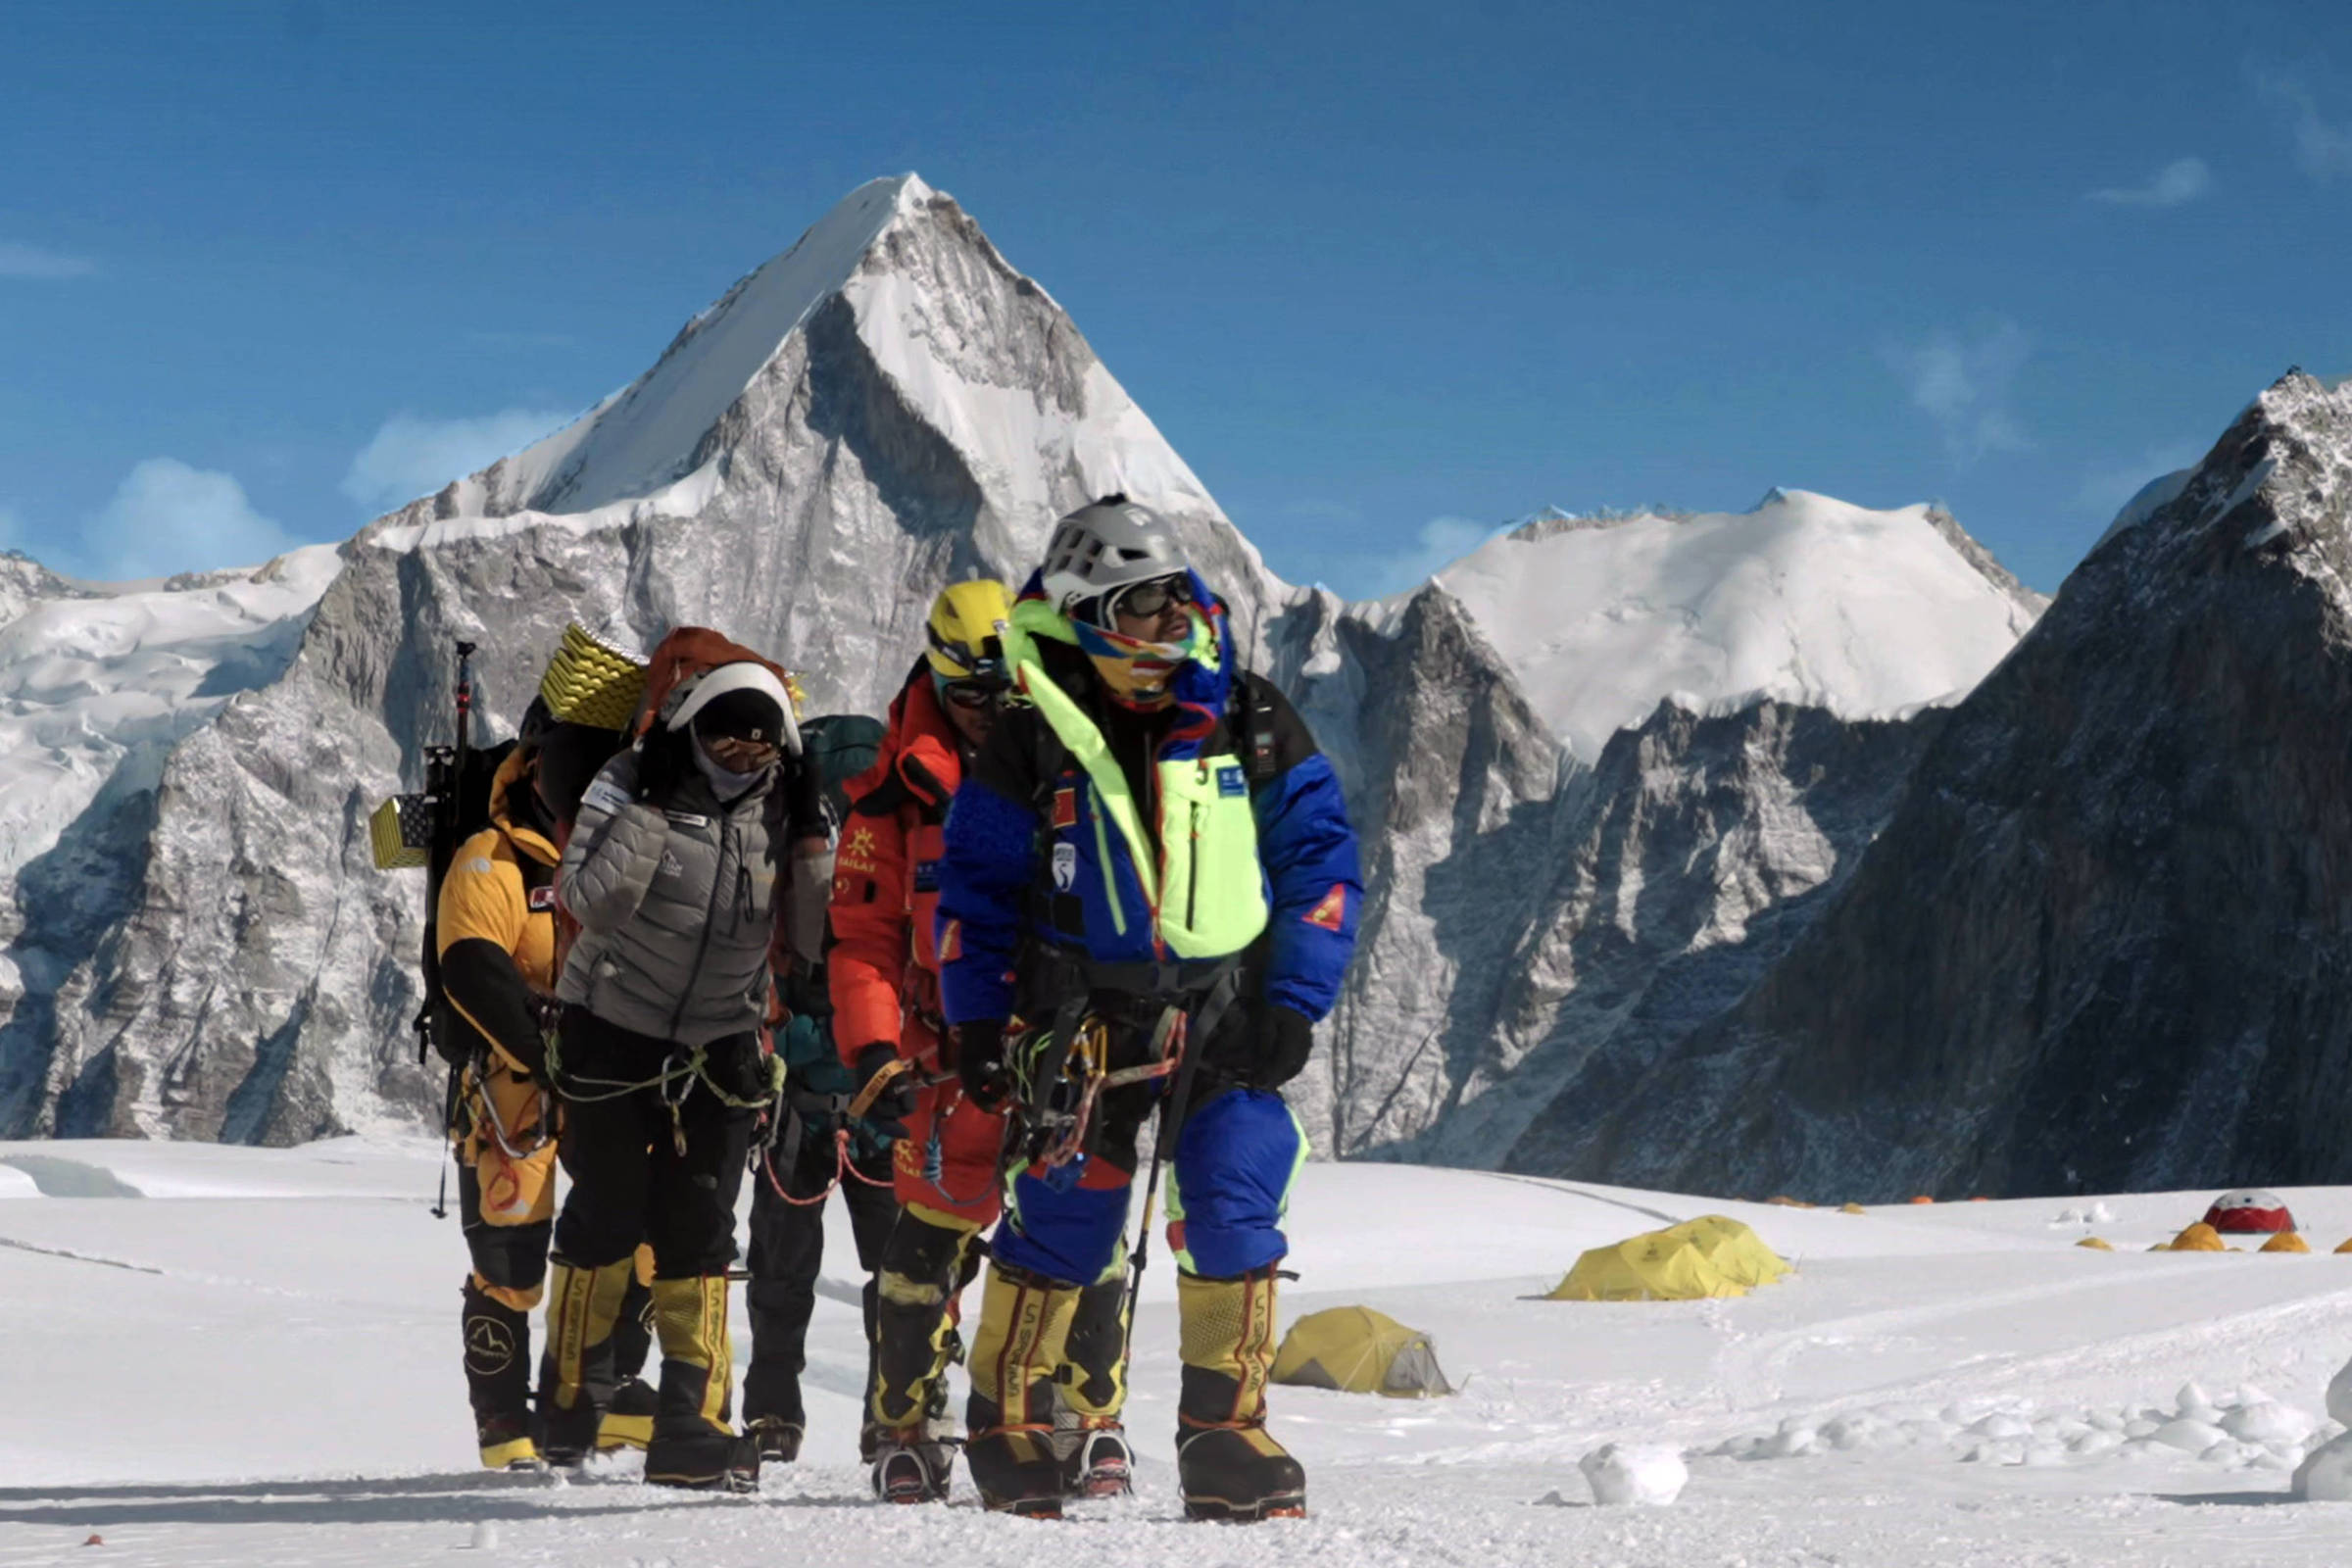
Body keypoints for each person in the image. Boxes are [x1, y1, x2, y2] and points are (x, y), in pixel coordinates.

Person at [935, 497, 1362, 1521]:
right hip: (1079, 1022)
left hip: (1228, 1015)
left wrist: (1294, 1003)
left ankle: (1227, 1434)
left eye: (1179, 602)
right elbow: (975, 898)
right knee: (1065, 1226)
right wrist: (979, 1025)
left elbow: (1321, 862)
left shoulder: (1249, 716)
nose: (1171, 627)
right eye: (1145, 608)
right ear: (1087, 613)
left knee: (1235, 1194)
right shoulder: (1029, 744)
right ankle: (1009, 1426)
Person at [829, 581, 1139, 1505]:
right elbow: (863, 942)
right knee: (926, 1243)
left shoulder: (1087, 770)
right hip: (945, 1054)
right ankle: (905, 1428)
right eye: (972, 697)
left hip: (1069, 1045)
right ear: (937, 678)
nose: (991, 715)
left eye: (1009, 696)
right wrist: (873, 1050)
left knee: (1088, 1236)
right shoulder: (890, 801)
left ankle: (1088, 1418)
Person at [541, 647, 832, 1493]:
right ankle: (567, 1397)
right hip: (610, 1029)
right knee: (605, 1211)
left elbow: (811, 941)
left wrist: (812, 837)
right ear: (689, 730)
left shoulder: (787, 808)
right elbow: (586, 899)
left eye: (759, 749)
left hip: (722, 1040)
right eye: (724, 744)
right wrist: (650, 809)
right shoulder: (629, 780)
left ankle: (693, 1425)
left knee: (701, 1225)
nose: (741, 763)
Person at [434, 704, 659, 1470]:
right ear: (535, 766)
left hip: (611, 1066)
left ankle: (606, 1388)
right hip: (515, 1079)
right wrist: (542, 1052)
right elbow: (470, 964)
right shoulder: (489, 859)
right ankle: (503, 1420)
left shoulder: (623, 849)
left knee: (636, 1238)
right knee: (510, 1257)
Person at [740, 712, 900, 1465]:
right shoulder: (896, 850)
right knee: (901, 1270)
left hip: (794, 1103)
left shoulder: (771, 855)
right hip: (883, 1099)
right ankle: (894, 1411)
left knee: (780, 1268)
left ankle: (773, 1411)